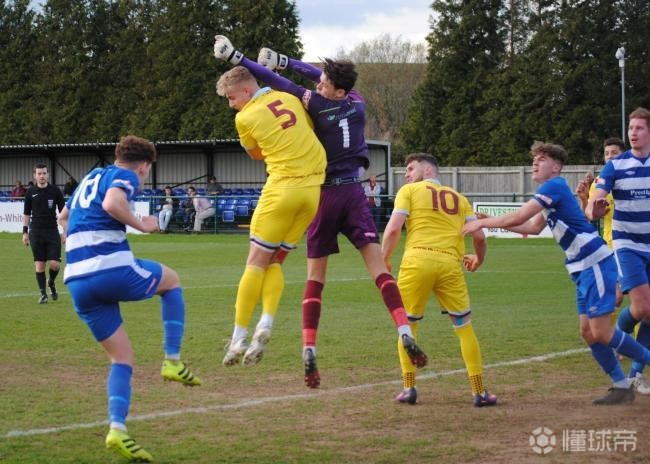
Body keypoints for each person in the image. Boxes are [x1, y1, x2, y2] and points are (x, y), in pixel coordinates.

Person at [213, 36, 428, 386]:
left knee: (311, 278)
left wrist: (244, 58)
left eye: (326, 83)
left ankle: (306, 350)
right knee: (379, 270)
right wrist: (285, 60)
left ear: (337, 91)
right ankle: (404, 329)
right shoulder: (357, 103)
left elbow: (280, 82)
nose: (319, 83)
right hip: (353, 192)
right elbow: (313, 78)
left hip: (320, 193)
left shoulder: (314, 104)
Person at [463, 140, 650, 405]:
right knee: (588, 332)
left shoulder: (554, 186)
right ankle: (621, 386)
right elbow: (532, 227)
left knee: (601, 332)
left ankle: (633, 374)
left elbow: (519, 217)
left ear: (557, 167)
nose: (534, 163)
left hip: (594, 262)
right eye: (534, 159)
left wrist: (482, 223)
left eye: (542, 159)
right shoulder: (552, 192)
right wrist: (493, 223)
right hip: (581, 268)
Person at [58, 135, 201, 462]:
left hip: (77, 280)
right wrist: (143, 225)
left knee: (121, 358)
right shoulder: (125, 175)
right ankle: (172, 360)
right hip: (111, 268)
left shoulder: (89, 179)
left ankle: (118, 430)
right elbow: (112, 204)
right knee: (172, 281)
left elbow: (63, 219)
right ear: (144, 166)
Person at [213, 63, 327, 367]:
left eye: (232, 98)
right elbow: (307, 130)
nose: (231, 105)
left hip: (282, 191)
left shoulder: (244, 117)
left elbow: (255, 153)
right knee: (276, 261)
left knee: (255, 262)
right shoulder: (289, 98)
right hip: (311, 194)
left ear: (246, 90)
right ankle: (266, 322)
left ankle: (238, 337)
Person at [381, 153, 496, 407]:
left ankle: (409, 388)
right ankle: (479, 392)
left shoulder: (409, 191)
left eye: (411, 168)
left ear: (428, 170)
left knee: (407, 326)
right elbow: (479, 237)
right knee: (464, 327)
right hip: (449, 265)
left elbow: (393, 228)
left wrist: (383, 259)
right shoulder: (460, 199)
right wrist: (478, 260)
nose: (406, 174)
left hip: (416, 262)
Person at [586, 108, 650, 396]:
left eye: (639, 128)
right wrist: (595, 208)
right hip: (628, 244)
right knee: (644, 308)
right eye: (630, 128)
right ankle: (618, 336)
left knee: (649, 312)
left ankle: (636, 375)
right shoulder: (615, 166)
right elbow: (595, 200)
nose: (633, 132)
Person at [21, 164, 65, 304]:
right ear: (35, 175)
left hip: (52, 231)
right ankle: (43, 294)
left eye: (44, 173)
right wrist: (25, 232)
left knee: (55, 264)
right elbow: (26, 214)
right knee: (40, 265)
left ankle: (51, 282)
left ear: (48, 174)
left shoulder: (55, 191)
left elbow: (63, 213)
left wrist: (65, 231)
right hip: (36, 232)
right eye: (39, 173)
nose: (42, 176)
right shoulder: (30, 192)